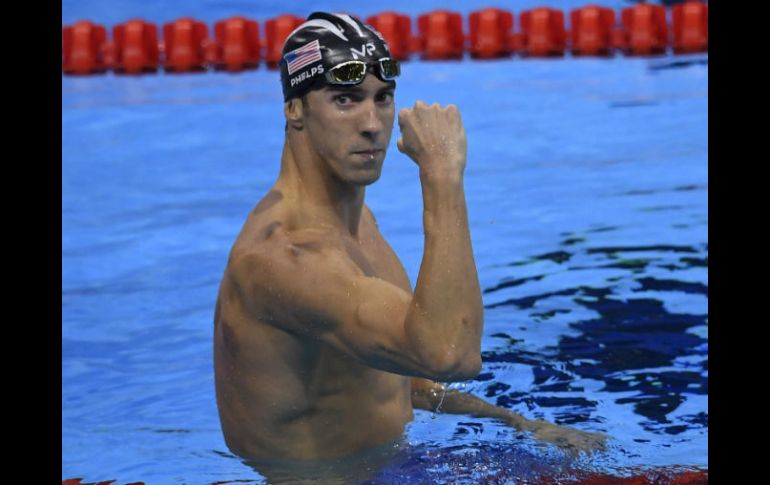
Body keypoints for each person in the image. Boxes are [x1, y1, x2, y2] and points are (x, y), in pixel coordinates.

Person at [213, 11, 605, 479]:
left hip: (395, 469)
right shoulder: (286, 259)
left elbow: (409, 375)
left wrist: (520, 424)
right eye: (345, 99)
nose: (372, 123)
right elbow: (450, 355)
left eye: (382, 99)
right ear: (294, 108)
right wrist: (442, 175)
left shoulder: (356, 224)